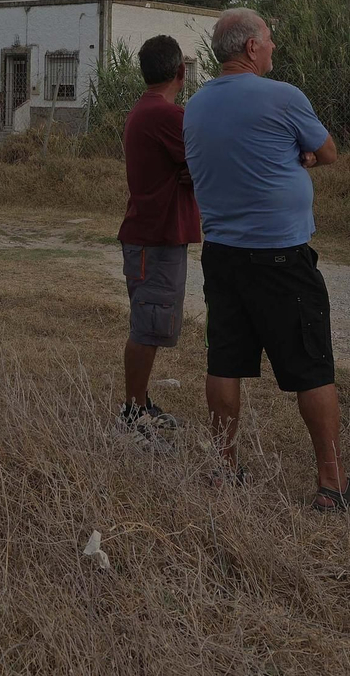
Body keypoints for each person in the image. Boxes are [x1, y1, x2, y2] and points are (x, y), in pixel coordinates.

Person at [183, 8, 350, 510]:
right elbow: (327, 151)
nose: (272, 48)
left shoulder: (195, 106)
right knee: (312, 366)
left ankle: (224, 470)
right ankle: (333, 486)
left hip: (221, 254)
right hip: (280, 255)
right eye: (268, 40)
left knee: (225, 360)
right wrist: (300, 157)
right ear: (250, 48)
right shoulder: (282, 97)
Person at [116, 35, 201, 435]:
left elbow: (196, 163)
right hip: (155, 238)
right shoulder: (169, 117)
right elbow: (209, 159)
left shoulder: (145, 111)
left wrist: (192, 170)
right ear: (181, 73)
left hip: (150, 236)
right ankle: (132, 415)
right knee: (147, 326)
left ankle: (140, 403)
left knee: (149, 321)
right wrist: (196, 171)